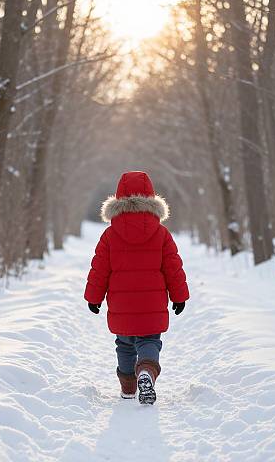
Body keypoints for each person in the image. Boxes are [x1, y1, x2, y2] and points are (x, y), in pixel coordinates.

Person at [84, 171, 189, 405]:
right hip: (152, 303)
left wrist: (93, 297)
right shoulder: (161, 234)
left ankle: (129, 389)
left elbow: (99, 269)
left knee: (124, 344)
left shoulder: (110, 235)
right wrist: (179, 296)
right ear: (151, 198)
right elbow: (173, 266)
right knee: (149, 341)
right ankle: (147, 373)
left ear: (118, 198)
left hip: (121, 304)